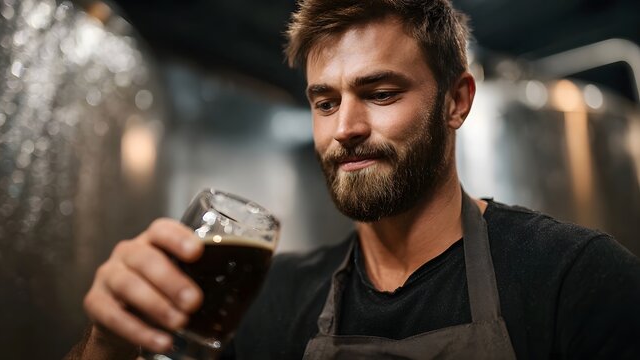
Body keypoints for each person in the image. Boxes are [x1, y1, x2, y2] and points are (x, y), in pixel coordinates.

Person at [66, 0, 640, 359]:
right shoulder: (266, 303)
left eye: (380, 93)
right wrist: (108, 345)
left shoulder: (578, 281)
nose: (346, 128)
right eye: (324, 102)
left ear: (456, 101)